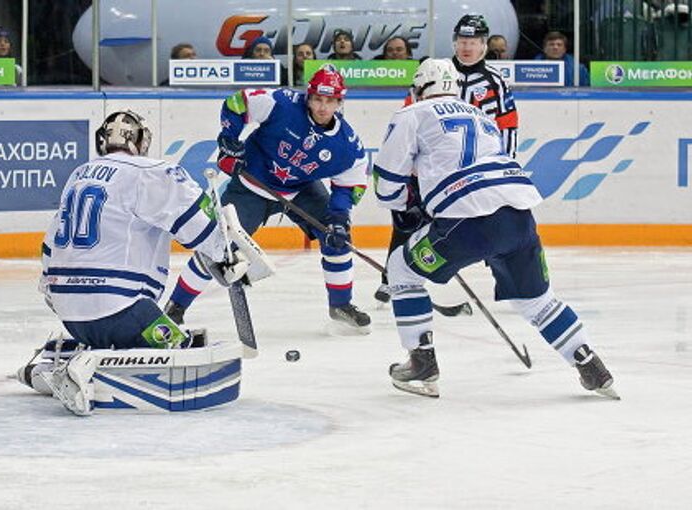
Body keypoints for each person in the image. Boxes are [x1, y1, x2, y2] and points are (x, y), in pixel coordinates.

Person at [374, 58, 618, 399]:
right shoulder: (481, 116)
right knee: (536, 301)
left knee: (401, 267)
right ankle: (590, 365)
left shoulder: (412, 114)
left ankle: (421, 361)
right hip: (518, 215)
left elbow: (386, 183)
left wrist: (407, 207)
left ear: (417, 89)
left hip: (467, 220)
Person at [20, 111, 257, 413]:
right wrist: (226, 254)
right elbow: (198, 225)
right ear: (142, 140)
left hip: (70, 313)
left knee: (118, 340)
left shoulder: (79, 174)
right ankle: (84, 371)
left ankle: (48, 367)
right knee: (183, 353)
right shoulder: (153, 171)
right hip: (122, 308)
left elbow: (49, 246)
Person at [164, 65, 372, 332]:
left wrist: (340, 218)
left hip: (302, 189)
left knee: (339, 238)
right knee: (219, 243)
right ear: (308, 96)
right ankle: (176, 306)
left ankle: (341, 304)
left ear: (339, 103)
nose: (322, 107)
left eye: (330, 101)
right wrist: (229, 140)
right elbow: (237, 103)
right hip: (250, 184)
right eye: (317, 99)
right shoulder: (282, 104)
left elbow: (349, 186)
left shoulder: (347, 145)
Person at [374, 14, 519, 304]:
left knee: (496, 224)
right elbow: (409, 122)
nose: (467, 47)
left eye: (474, 42)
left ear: (484, 45)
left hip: (479, 172)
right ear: (454, 43)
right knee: (406, 222)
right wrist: (412, 168)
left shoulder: (496, 82)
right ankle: (392, 279)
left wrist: (506, 163)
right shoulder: (432, 73)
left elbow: (508, 127)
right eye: (462, 41)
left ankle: (514, 287)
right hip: (431, 170)